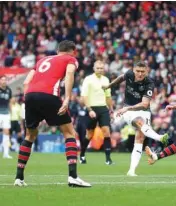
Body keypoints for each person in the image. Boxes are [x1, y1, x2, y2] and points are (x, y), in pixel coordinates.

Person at [14, 40, 91, 187]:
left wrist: (29, 99)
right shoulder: (70, 59)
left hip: (30, 95)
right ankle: (73, 177)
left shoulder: (42, 60)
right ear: (74, 51)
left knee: (30, 136)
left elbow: (26, 82)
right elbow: (69, 75)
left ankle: (19, 178)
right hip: (49, 95)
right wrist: (67, 98)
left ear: (57, 51)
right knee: (69, 133)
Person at [103, 61, 168, 176]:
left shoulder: (149, 83)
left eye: (143, 71)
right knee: (139, 122)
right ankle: (159, 137)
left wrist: (128, 108)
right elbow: (120, 78)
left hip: (143, 110)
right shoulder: (129, 74)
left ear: (147, 71)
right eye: (137, 71)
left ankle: (131, 170)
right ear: (133, 70)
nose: (140, 74)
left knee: (139, 138)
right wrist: (109, 86)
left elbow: (144, 104)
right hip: (128, 110)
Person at [80, 60, 114, 165]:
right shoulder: (88, 79)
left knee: (106, 132)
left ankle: (108, 159)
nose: (100, 70)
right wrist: (89, 109)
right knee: (89, 134)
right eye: (98, 68)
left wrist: (111, 109)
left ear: (104, 69)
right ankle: (82, 155)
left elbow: (108, 96)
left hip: (103, 108)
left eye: (101, 68)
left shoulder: (106, 80)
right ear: (94, 69)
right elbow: (84, 96)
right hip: (92, 108)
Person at [0, 76, 13, 159]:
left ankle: (6, 153)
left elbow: (10, 102)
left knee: (6, 132)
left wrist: (10, 112)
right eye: (2, 80)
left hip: (6, 114)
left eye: (5, 80)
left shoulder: (9, 90)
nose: (4, 81)